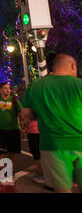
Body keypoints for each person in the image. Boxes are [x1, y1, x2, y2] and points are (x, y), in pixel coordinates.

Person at [22, 54, 82, 193]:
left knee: (62, 189)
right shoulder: (79, 85)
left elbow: (27, 113)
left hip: (52, 145)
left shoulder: (36, 86)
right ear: (73, 66)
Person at [0, 82, 23, 165]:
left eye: (9, 88)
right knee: (0, 151)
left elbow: (20, 115)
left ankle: (10, 169)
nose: (8, 90)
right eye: (5, 88)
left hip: (13, 130)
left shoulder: (14, 100)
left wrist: (22, 128)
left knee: (12, 152)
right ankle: (1, 170)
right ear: (0, 90)